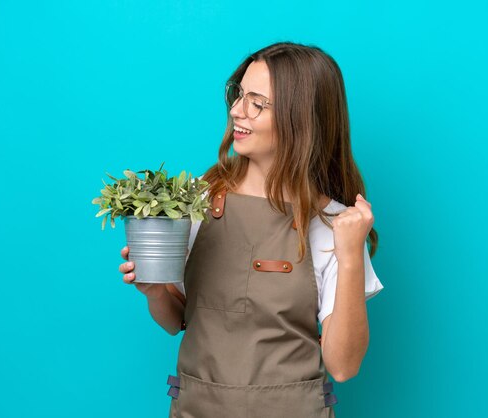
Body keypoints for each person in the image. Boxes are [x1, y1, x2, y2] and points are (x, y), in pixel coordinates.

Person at [118, 41, 384, 418]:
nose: (236, 111)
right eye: (239, 94)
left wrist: (351, 253)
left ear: (300, 118)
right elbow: (177, 320)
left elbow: (343, 365)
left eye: (257, 102)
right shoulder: (197, 202)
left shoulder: (334, 225)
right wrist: (154, 290)